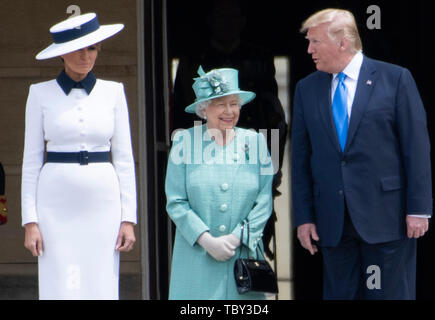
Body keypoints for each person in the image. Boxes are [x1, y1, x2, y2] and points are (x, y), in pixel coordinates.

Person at [291, 8, 432, 300]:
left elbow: (416, 149)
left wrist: (418, 209)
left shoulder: (395, 79)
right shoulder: (307, 88)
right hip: (332, 220)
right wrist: (303, 217)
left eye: (315, 41)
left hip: (387, 217)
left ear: (343, 42)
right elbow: (301, 158)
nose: (309, 49)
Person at [21, 13, 137, 300]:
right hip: (55, 201)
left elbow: (124, 159)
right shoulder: (39, 93)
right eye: (77, 49)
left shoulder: (113, 92)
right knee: (60, 279)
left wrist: (128, 219)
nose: (85, 56)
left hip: (103, 201)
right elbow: (31, 161)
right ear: (62, 54)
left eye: (92, 48)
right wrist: (30, 221)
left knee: (101, 280)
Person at [172, 0, 287, 260]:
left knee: (257, 222)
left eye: (233, 17)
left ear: (242, 22)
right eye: (221, 17)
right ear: (210, 22)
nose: (227, 24)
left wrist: (274, 167)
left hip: (251, 152)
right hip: (202, 153)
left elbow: (273, 116)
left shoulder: (258, 57)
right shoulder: (193, 58)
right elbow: (180, 112)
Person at [165, 66, 274, 299]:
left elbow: (264, 200)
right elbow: (175, 202)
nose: (229, 111)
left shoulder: (255, 142)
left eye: (234, 103)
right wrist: (207, 240)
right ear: (204, 109)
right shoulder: (184, 142)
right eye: (220, 104)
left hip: (242, 256)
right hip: (197, 258)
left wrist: (237, 238)